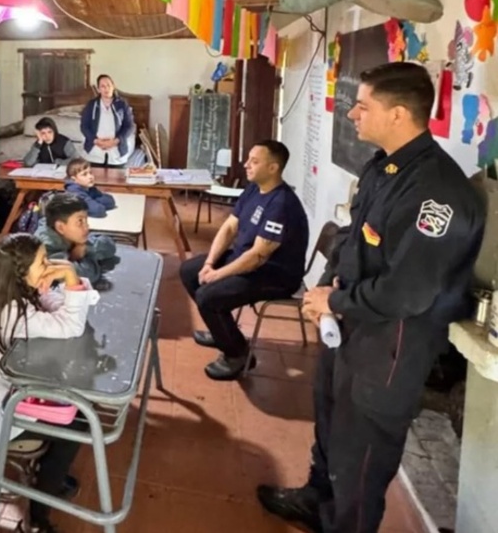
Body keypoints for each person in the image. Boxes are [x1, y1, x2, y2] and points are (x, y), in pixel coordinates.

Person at [257, 62, 486, 533]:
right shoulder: (385, 166)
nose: (352, 114)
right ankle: (315, 501)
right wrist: (327, 288)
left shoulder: (435, 194)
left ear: (399, 114)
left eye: (363, 105)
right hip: (350, 328)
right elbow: (355, 239)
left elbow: (408, 293)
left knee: (360, 459)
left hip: (388, 348)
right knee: (330, 425)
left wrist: (334, 303)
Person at [0, 233, 99, 533]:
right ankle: (38, 514)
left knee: (73, 410)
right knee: (78, 424)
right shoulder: (12, 313)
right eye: (42, 262)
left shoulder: (5, 295)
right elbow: (71, 325)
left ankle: (50, 477)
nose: (49, 266)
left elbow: (58, 307)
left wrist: (55, 284)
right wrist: (70, 274)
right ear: (20, 273)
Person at [178, 140, 308, 381]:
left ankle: (237, 354)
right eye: (248, 158)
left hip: (274, 274)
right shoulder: (254, 188)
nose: (246, 164)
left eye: (254, 161)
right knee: (189, 270)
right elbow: (229, 227)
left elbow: (258, 256)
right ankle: (223, 332)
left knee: (209, 296)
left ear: (273, 168)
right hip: (247, 259)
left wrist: (218, 274)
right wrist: (209, 263)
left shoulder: (281, 204)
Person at [34, 192, 119, 286]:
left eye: (86, 220)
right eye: (80, 221)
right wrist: (82, 256)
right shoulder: (45, 248)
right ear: (60, 227)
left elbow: (109, 245)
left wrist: (85, 248)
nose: (86, 226)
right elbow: (87, 275)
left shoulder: (70, 234)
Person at [79, 74, 135, 167]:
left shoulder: (122, 104)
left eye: (108, 85)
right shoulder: (91, 105)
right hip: (95, 151)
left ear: (113, 86)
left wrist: (116, 141)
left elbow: (129, 126)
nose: (106, 89)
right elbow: (84, 126)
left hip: (116, 152)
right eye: (103, 86)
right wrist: (96, 141)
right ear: (98, 89)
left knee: (116, 180)